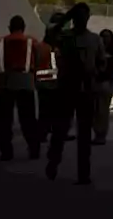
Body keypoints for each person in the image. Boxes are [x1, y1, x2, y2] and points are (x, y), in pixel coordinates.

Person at [45, 3, 105, 185]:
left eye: (83, 15)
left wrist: (94, 73)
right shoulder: (65, 36)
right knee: (60, 129)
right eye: (78, 16)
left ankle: (83, 173)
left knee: (84, 133)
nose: (81, 19)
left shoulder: (94, 39)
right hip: (67, 87)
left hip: (86, 88)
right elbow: (49, 36)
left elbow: (102, 62)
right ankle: (53, 161)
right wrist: (65, 17)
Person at [0, 15, 41, 161]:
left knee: (5, 120)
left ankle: (6, 152)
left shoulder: (0, 42)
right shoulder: (32, 42)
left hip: (5, 84)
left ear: (9, 27)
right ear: (23, 28)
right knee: (28, 119)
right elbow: (38, 61)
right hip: (26, 83)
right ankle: (34, 149)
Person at [36, 11, 64, 142]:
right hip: (51, 81)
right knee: (50, 109)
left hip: (47, 80)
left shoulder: (45, 45)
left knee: (47, 109)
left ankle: (45, 131)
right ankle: (45, 131)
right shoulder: (54, 43)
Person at [92, 29, 113, 145]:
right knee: (96, 109)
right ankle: (98, 132)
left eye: (107, 37)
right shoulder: (96, 51)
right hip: (97, 81)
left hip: (106, 82)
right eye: (103, 36)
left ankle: (101, 134)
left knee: (102, 110)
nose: (105, 39)